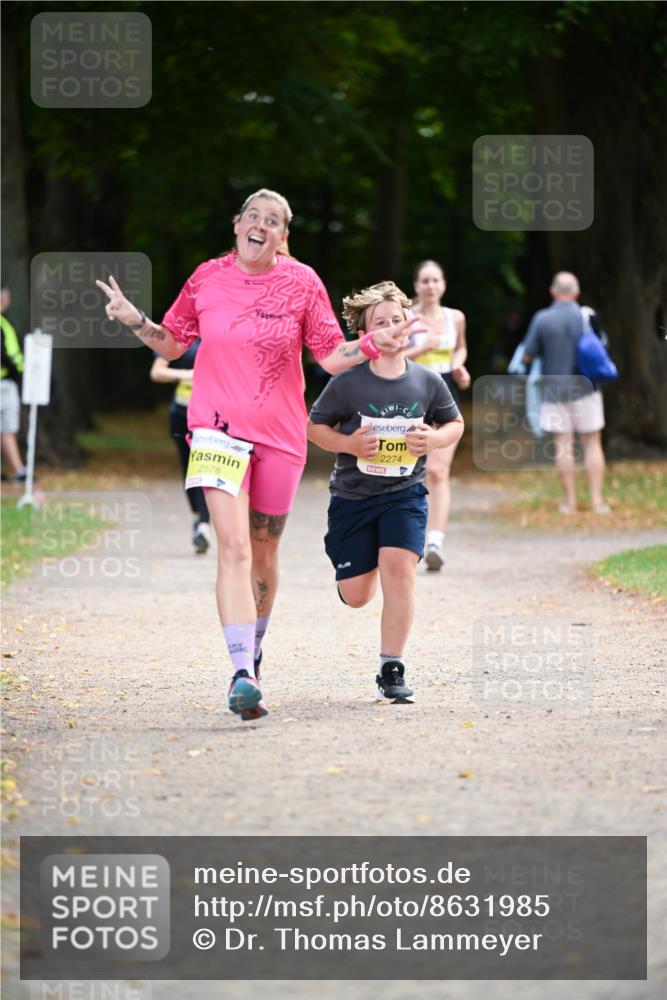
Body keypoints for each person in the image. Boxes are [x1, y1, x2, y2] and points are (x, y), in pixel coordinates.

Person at [97, 189, 421, 722]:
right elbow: (174, 342)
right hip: (216, 432)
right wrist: (135, 319)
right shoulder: (206, 277)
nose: (261, 225)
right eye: (253, 216)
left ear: (283, 235)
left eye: (273, 221)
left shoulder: (302, 282)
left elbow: (328, 354)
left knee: (264, 550)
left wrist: (371, 345)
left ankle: (256, 650)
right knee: (233, 547)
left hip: (280, 435)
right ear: (237, 224)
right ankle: (241, 671)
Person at [308, 281, 464, 700]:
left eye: (398, 319)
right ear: (365, 336)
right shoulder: (348, 383)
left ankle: (391, 667)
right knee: (358, 595)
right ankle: (362, 564)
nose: (393, 328)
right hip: (353, 499)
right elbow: (314, 427)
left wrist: (432, 440)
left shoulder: (427, 381)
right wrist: (348, 444)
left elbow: (455, 424)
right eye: (382, 323)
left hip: (405, 495)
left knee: (400, 572)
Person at [522, 271, 609, 514]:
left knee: (563, 445)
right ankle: (596, 501)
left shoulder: (542, 319)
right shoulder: (587, 316)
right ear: (576, 293)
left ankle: (569, 502)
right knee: (592, 443)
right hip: (587, 388)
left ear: (553, 292)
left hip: (554, 390)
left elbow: (528, 354)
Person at [405, 260, 470, 571]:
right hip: (411, 393)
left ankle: (435, 541)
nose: (431, 286)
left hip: (444, 393)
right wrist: (420, 349)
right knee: (408, 469)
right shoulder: (405, 317)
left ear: (443, 284)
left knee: (438, 472)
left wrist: (459, 365)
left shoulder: (455, 317)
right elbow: (391, 355)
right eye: (425, 281)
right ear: (416, 285)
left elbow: (461, 348)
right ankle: (404, 537)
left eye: (436, 280)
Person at [150, 340, 211, 554]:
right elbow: (157, 372)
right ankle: (198, 517)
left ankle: (204, 524)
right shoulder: (181, 337)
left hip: (212, 416)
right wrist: (186, 375)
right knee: (189, 468)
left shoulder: (224, 333)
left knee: (205, 467)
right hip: (181, 414)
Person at [0, 288, 27, 483]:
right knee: (8, 429)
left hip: (7, 383)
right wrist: (17, 370)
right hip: (4, 382)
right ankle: (19, 472)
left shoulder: (4, 322)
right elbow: (5, 355)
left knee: (7, 429)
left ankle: (18, 472)